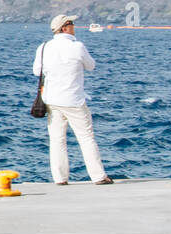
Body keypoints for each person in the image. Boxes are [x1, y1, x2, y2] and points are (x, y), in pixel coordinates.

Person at [33, 14, 113, 186]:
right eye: (71, 23)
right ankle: (98, 176)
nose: (74, 26)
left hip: (52, 100)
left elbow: (36, 71)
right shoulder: (77, 46)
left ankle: (60, 178)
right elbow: (91, 65)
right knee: (86, 138)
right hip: (74, 100)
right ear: (64, 28)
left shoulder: (44, 47)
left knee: (57, 140)